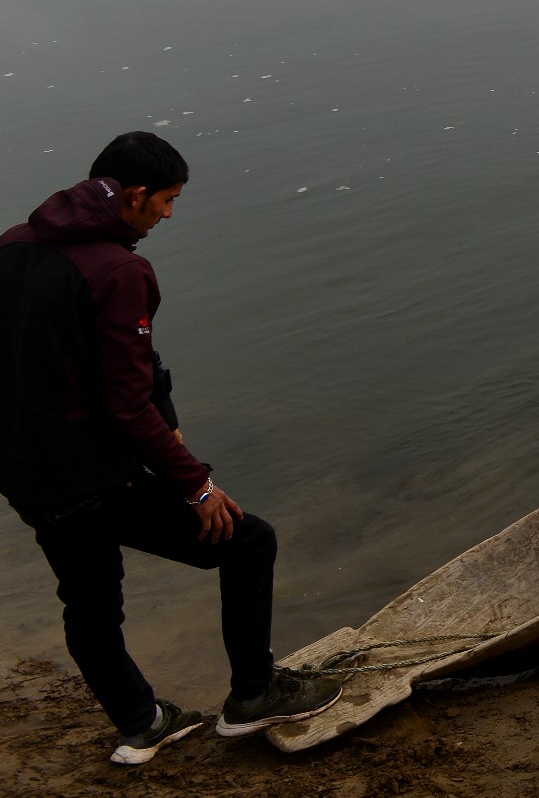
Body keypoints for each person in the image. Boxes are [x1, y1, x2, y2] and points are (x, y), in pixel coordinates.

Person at [0, 133, 342, 767]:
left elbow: (87, 368)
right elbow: (127, 406)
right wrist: (197, 484)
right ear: (133, 195)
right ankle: (253, 695)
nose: (169, 213)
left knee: (89, 598)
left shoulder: (13, 245)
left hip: (27, 475)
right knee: (248, 542)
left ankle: (141, 723)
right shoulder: (120, 270)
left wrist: (167, 418)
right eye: (166, 199)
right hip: (94, 477)